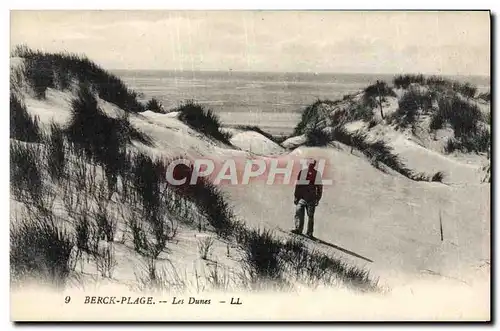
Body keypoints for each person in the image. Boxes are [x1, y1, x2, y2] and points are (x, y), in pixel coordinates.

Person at [292, 159, 323, 237]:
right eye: (310, 164)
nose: (311, 165)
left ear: (314, 165)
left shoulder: (317, 174)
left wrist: (318, 198)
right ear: (308, 164)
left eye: (313, 164)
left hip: (311, 198)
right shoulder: (302, 172)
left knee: (310, 216)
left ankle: (309, 232)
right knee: (299, 212)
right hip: (302, 197)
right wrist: (296, 196)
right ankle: (298, 229)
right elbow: (298, 185)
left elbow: (320, 187)